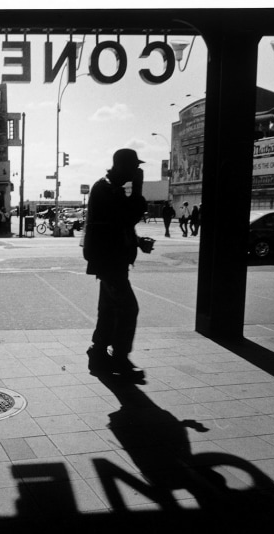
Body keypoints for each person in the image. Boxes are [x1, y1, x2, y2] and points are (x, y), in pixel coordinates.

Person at [82, 148, 148, 378]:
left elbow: (118, 225)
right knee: (129, 308)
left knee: (109, 309)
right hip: (109, 261)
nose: (135, 171)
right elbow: (128, 215)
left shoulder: (110, 188)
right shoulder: (106, 189)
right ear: (120, 167)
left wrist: (137, 241)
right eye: (132, 167)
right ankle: (119, 357)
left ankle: (99, 353)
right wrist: (138, 189)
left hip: (113, 260)